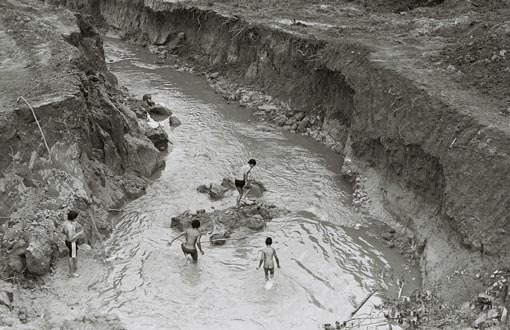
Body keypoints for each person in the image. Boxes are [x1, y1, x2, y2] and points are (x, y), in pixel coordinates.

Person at [62, 210, 83, 278]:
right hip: (72, 243)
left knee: (73, 255)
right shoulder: (70, 227)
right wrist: (79, 234)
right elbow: (71, 238)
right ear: (73, 218)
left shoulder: (65, 223)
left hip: (67, 241)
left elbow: (63, 232)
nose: (77, 219)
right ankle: (72, 273)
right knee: (71, 257)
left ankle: (74, 268)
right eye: (76, 217)